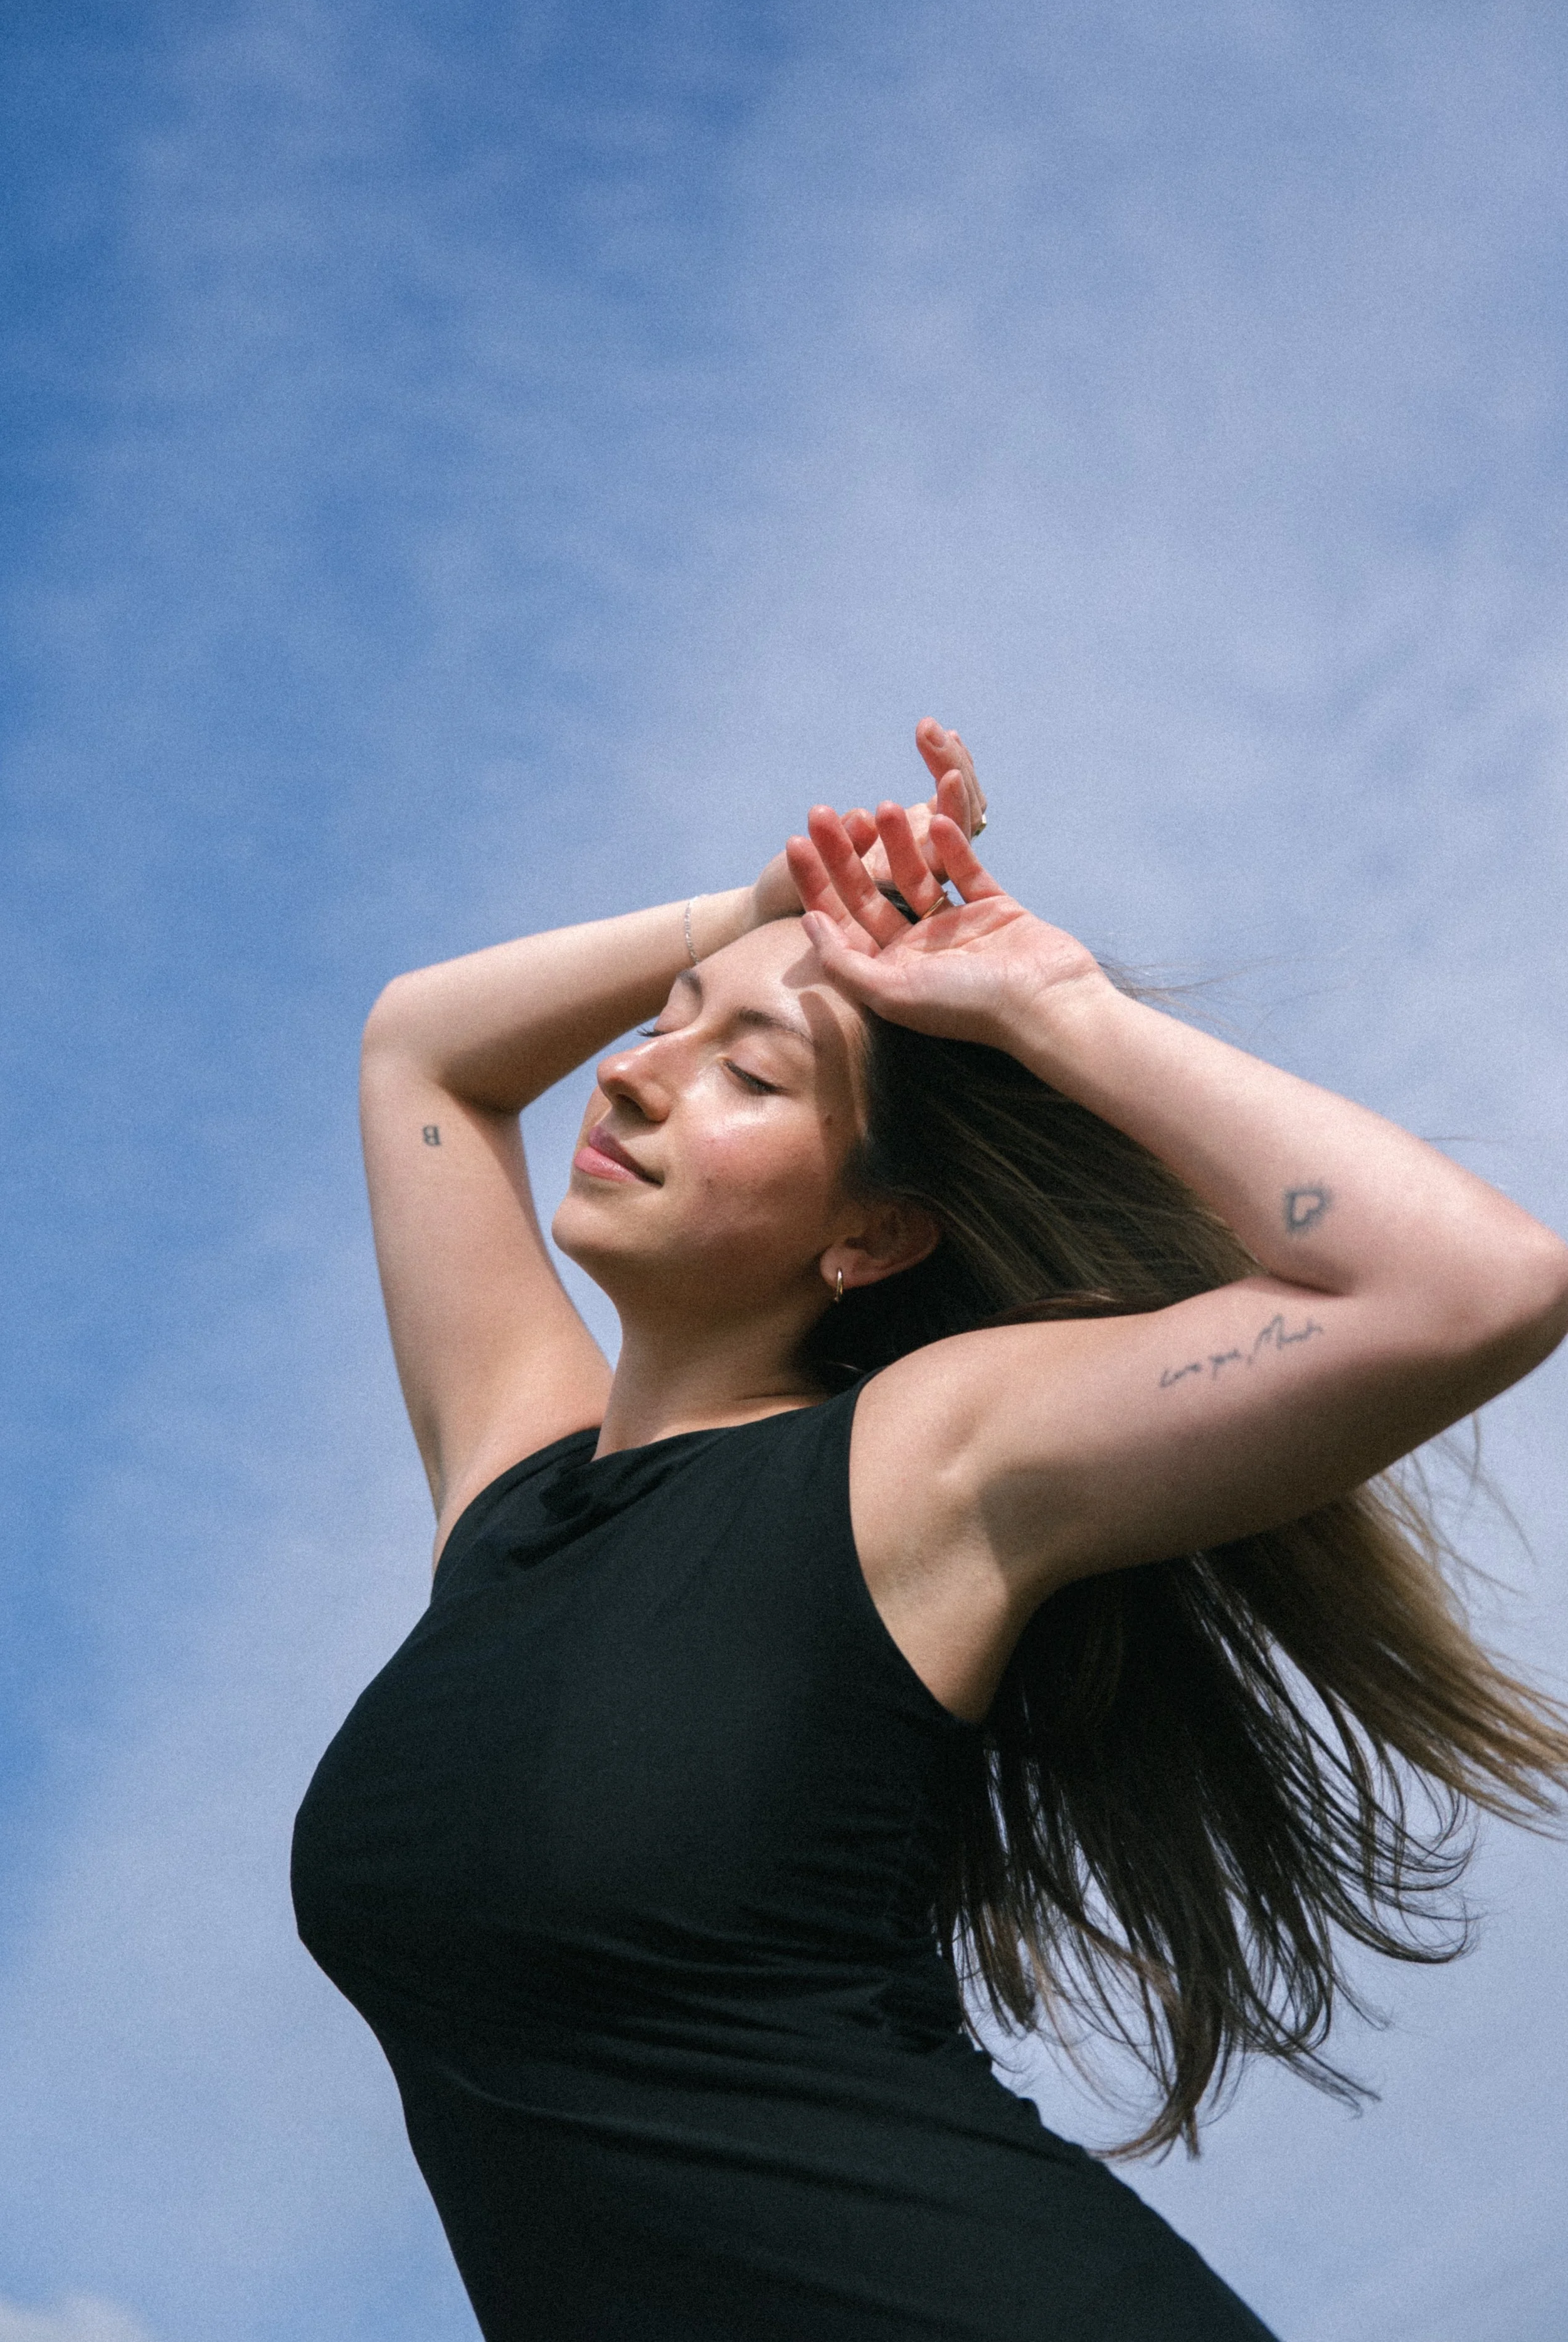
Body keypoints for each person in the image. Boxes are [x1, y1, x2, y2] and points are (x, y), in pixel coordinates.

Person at [292, 720, 1568, 2341]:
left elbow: (1472, 1284)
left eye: (750, 1073)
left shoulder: (923, 1459)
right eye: (664, 1022)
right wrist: (767, 909)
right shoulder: (511, 1489)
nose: (633, 1069)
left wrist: (1053, 1006)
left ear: (872, 1235)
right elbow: (422, 1049)